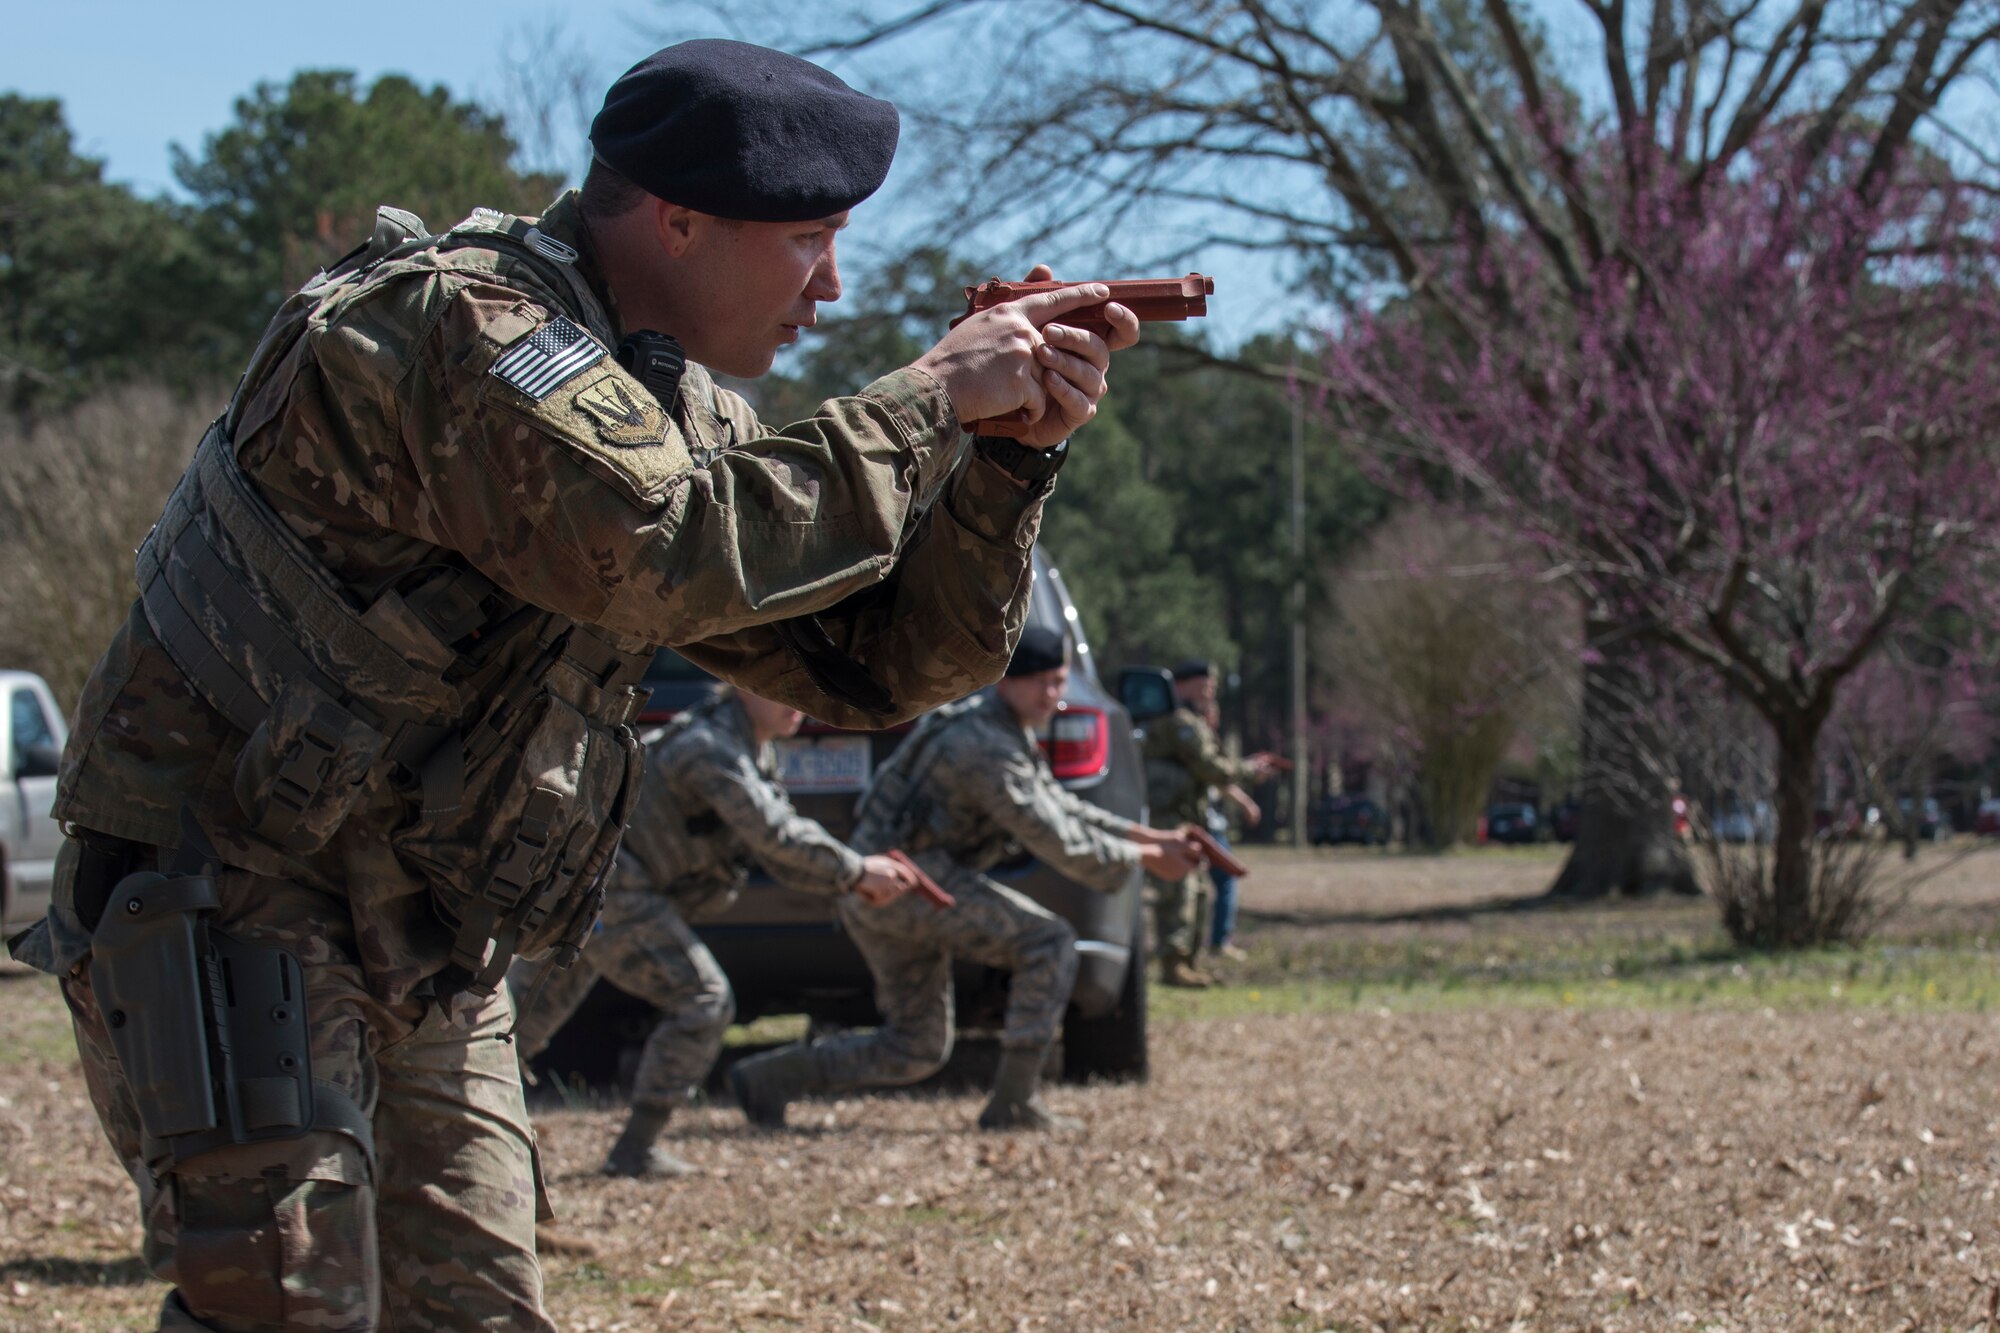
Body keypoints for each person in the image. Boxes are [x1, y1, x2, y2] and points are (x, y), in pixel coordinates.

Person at [6, 38, 1140, 1333]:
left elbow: (874, 663)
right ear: (679, 221)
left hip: (425, 926)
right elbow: (660, 552)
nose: (832, 286)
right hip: (232, 889)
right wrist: (932, 395)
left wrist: (1004, 468)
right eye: (810, 240)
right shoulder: (463, 328)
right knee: (284, 1310)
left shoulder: (663, 408)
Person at [728, 627, 1199, 1133]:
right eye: (1037, 681)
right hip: (906, 884)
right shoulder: (982, 745)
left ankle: (767, 1077)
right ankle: (1014, 1103)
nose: (1051, 694)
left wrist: (1150, 838)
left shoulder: (1001, 728)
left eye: (1058, 681)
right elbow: (1053, 835)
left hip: (896, 886)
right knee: (1050, 944)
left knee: (917, 1046)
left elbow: (1059, 805)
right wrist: (1146, 859)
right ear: (1004, 683)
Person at [511, 685, 914, 1177]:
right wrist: (853, 871)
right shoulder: (708, 748)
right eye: (784, 690)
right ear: (746, 685)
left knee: (515, 1027)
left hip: (610, 888)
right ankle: (632, 1150)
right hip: (609, 887)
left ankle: (484, 1137)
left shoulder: (751, 749)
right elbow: (775, 835)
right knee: (699, 1000)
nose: (799, 703)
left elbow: (774, 847)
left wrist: (849, 879)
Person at [1142, 662, 1279, 988]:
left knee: (1199, 891)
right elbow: (1210, 767)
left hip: (1189, 817)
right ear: (1182, 685)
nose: (1210, 692)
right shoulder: (1180, 723)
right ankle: (1173, 965)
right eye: (1205, 686)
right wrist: (1247, 770)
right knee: (1179, 891)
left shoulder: (1187, 722)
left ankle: (1187, 963)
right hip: (1171, 819)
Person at [1199, 700, 1262, 963]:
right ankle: (1217, 942)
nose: (1216, 718)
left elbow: (1221, 781)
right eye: (1212, 713)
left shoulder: (1202, 743)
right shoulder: (1198, 744)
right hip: (1207, 826)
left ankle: (1205, 943)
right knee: (1224, 879)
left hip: (1210, 825)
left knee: (1208, 884)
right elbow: (1221, 778)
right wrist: (1246, 801)